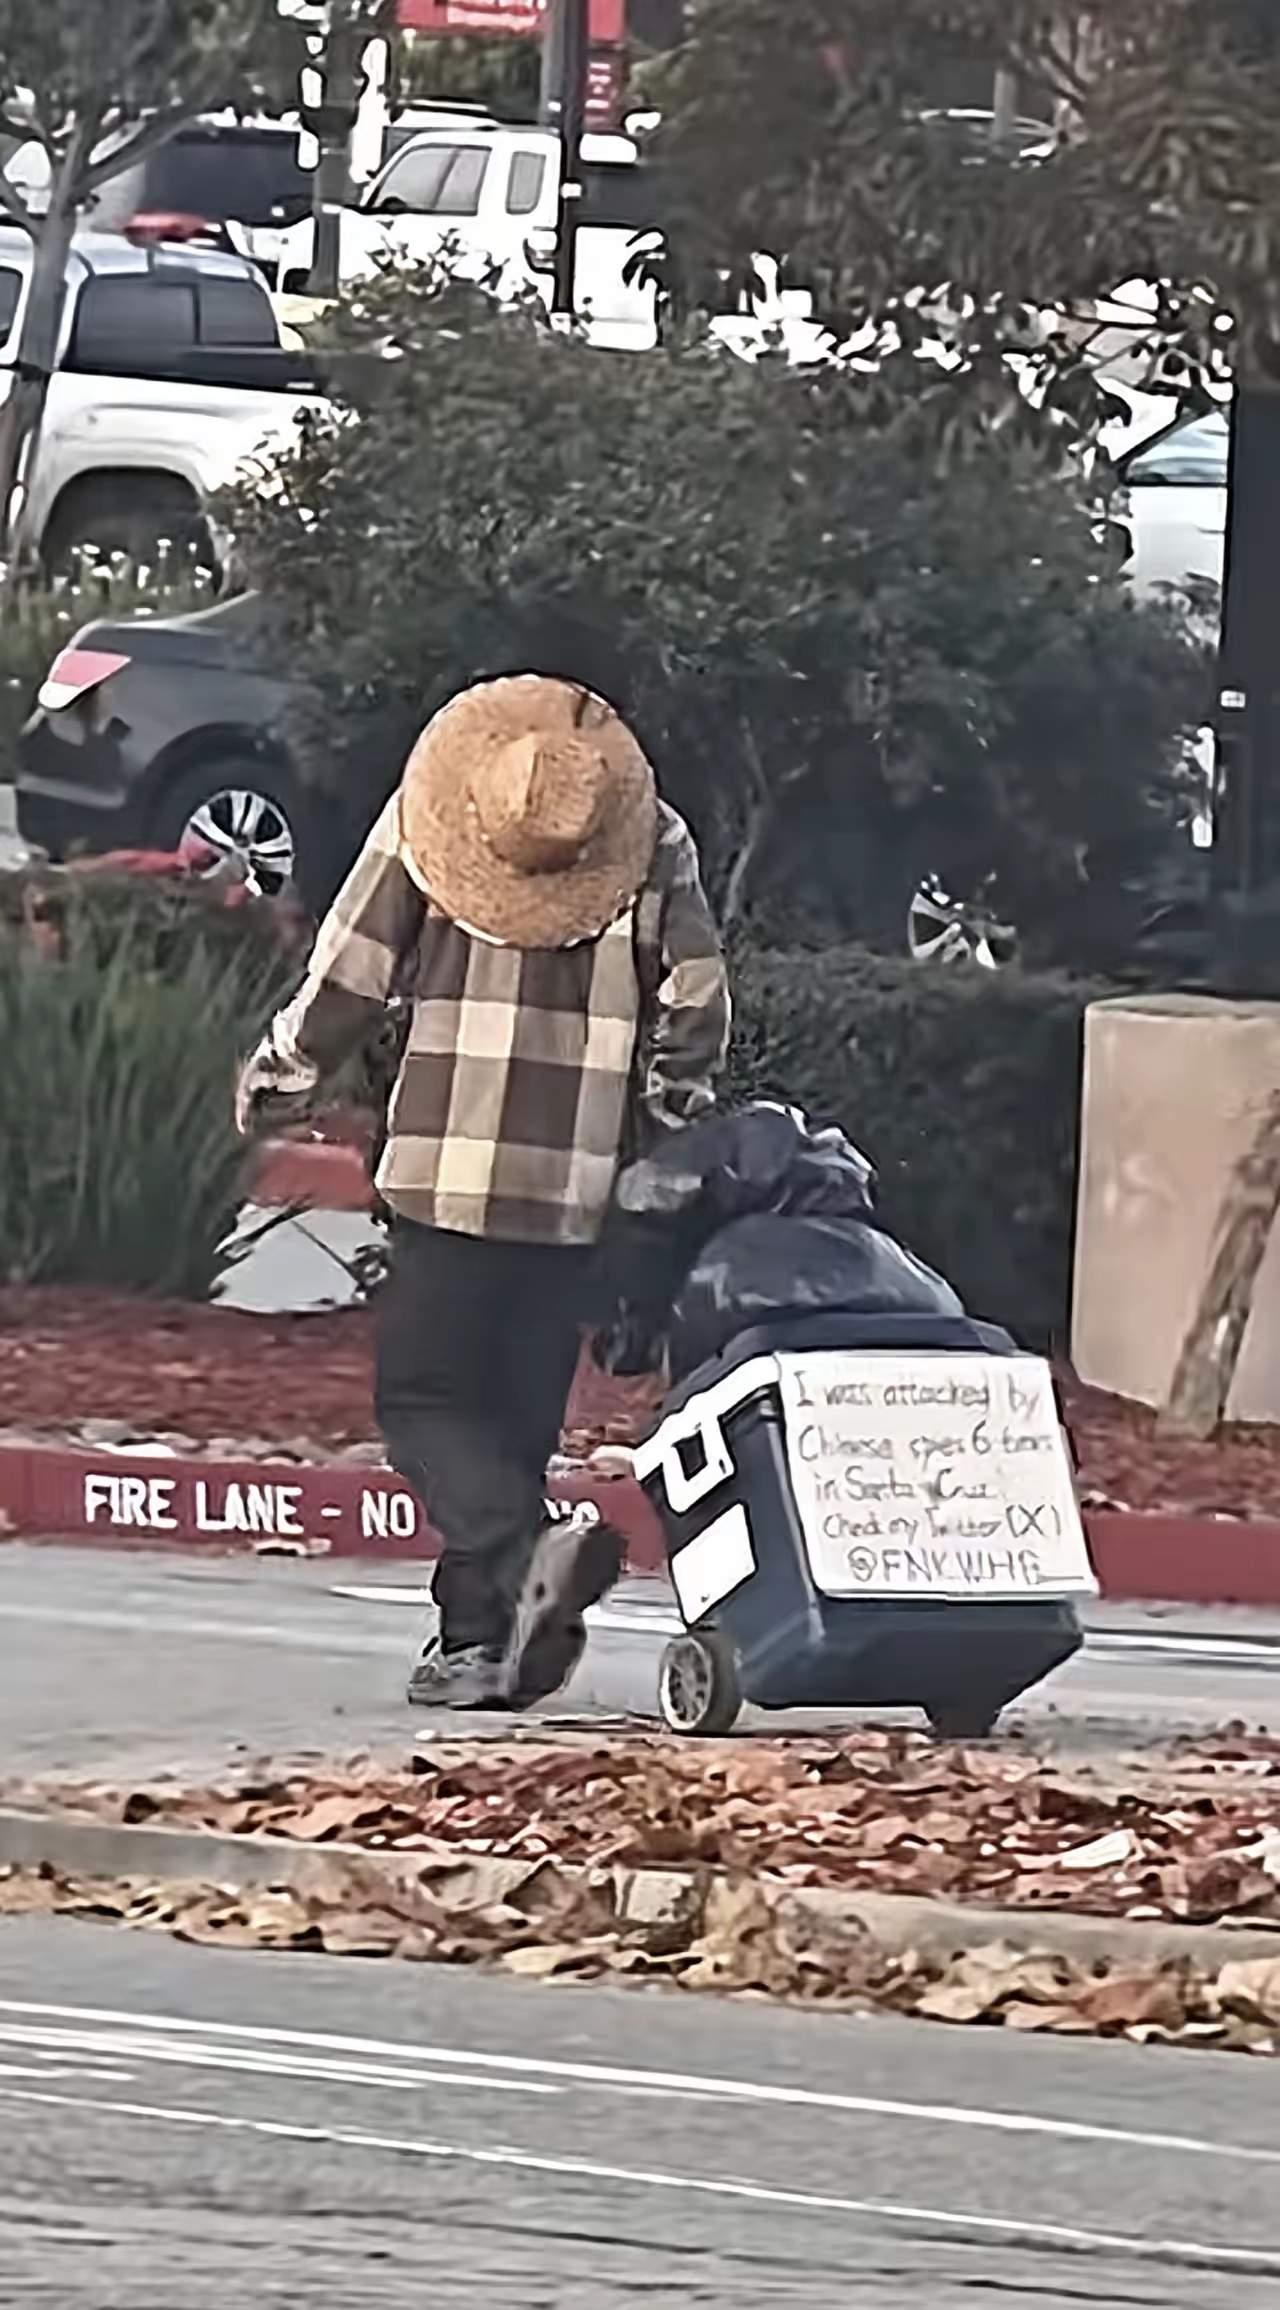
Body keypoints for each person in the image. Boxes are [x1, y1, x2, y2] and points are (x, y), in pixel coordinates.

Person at [236, 673, 729, 1710]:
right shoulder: (654, 839)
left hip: (447, 1172)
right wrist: (665, 1122)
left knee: (421, 1401)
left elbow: (350, 972)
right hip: (579, 1187)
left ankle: (527, 1543)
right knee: (509, 1420)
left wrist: (279, 1079)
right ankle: (475, 1643)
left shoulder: (435, 807)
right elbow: (694, 1000)